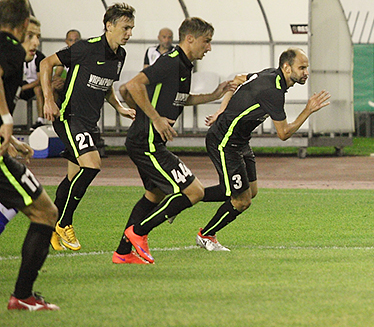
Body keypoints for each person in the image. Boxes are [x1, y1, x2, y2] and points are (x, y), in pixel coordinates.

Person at [113, 18, 232, 264]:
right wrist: (154, 118)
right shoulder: (169, 62)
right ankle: (138, 232)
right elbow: (131, 86)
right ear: (190, 39)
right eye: (206, 41)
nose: (208, 48)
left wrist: (214, 94)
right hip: (146, 142)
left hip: (149, 141)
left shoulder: (185, 65)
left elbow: (182, 99)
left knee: (154, 195)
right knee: (195, 191)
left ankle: (122, 253)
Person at [197, 49, 330, 251]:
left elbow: (238, 79)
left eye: (306, 68)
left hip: (240, 142)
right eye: (301, 68)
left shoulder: (270, 74)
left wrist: (222, 109)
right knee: (241, 200)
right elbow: (283, 133)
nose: (306, 72)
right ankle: (206, 235)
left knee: (250, 191)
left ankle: (187, 195)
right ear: (287, 67)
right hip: (224, 142)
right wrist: (308, 110)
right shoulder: (273, 92)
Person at [39, 3, 137, 251]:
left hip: (89, 122)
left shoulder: (120, 56)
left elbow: (107, 86)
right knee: (92, 164)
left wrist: (119, 107)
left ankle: (51, 226)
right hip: (69, 117)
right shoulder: (86, 48)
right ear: (109, 26)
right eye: (125, 28)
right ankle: (64, 223)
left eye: (131, 28)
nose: (129, 33)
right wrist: (49, 100)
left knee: (73, 177)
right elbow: (46, 64)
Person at [0, 0, 60, 311]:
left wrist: (11, 141)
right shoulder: (9, 48)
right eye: (32, 34)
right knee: (46, 213)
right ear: (23, 26)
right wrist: (7, 121)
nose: (34, 41)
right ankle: (22, 296)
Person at [18, 18, 45, 131]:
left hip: (31, 85)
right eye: (30, 36)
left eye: (38, 37)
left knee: (38, 89)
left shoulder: (39, 58)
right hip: (25, 85)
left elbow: (39, 80)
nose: (36, 43)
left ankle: (41, 120)